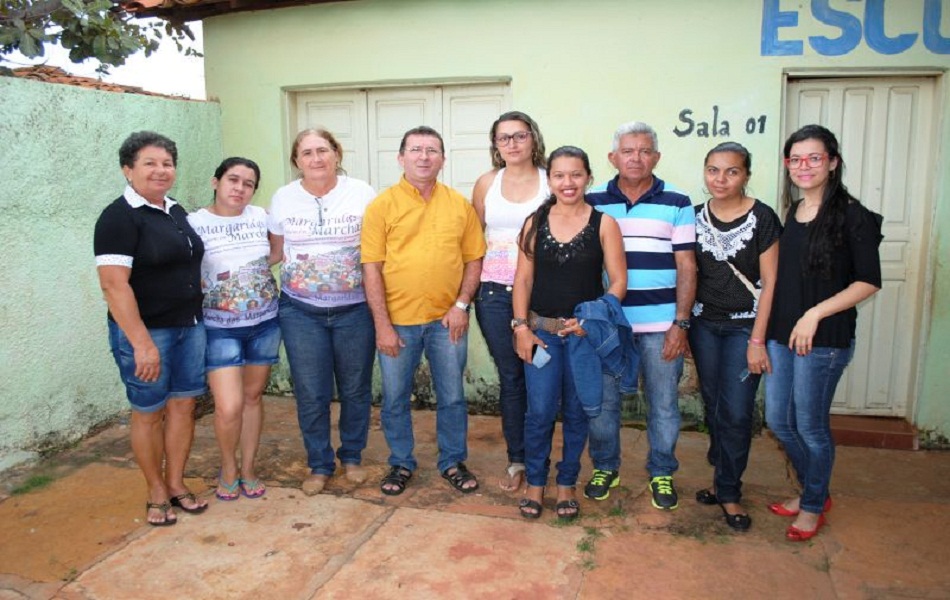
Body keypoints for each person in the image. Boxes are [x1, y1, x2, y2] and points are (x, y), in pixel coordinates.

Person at [765, 124, 882, 541]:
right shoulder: (792, 214)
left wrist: (815, 314)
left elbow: (868, 281)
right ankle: (815, 487)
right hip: (783, 335)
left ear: (832, 162)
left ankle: (813, 504)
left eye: (814, 158)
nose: (804, 166)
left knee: (810, 426)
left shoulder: (854, 216)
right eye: (796, 159)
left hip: (824, 340)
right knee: (779, 419)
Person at [361, 125, 486, 496]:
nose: (424, 156)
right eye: (416, 149)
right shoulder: (382, 206)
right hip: (398, 323)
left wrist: (461, 305)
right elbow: (372, 268)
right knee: (396, 398)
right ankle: (401, 462)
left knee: (452, 397)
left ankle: (452, 461)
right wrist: (382, 325)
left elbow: (473, 258)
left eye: (432, 150)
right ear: (401, 158)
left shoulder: (458, 204)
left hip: (446, 321)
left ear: (443, 160)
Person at [94, 131, 209, 526]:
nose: (161, 170)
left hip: (189, 328)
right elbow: (113, 284)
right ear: (128, 170)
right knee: (148, 412)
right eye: (150, 163)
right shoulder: (118, 217)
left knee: (183, 406)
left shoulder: (175, 210)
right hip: (148, 334)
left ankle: (176, 483)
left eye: (167, 163)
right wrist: (141, 344)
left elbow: (185, 263)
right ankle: (155, 489)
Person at [585, 122, 697, 510]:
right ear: (613, 158)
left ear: (657, 157)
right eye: (628, 151)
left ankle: (662, 472)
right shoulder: (592, 201)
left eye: (645, 151)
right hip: (607, 327)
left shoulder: (678, 203)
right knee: (603, 404)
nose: (636, 158)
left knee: (663, 403)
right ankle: (605, 467)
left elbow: (687, 266)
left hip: (661, 325)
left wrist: (680, 323)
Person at [512, 146, 626, 521]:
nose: (568, 182)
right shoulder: (534, 222)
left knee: (578, 413)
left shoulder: (604, 224)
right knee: (539, 412)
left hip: (582, 339)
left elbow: (619, 281)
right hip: (541, 335)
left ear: (588, 177)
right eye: (559, 175)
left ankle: (566, 484)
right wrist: (521, 328)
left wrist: (593, 319)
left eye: (576, 174)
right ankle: (535, 483)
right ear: (549, 180)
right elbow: (523, 279)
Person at [268, 129, 377, 495]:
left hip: (355, 311)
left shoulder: (361, 192)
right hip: (300, 312)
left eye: (323, 150)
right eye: (307, 153)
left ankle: (353, 457)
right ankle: (319, 463)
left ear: (336, 154)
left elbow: (377, 249)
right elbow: (275, 252)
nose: (316, 158)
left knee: (355, 388)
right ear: (296, 161)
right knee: (311, 391)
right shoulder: (283, 198)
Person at [688, 142, 781, 531]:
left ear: (746, 174)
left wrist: (758, 340)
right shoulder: (692, 216)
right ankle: (721, 473)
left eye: (731, 171)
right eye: (713, 170)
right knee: (713, 406)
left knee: (738, 412)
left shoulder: (763, 217)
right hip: (704, 326)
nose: (720, 179)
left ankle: (729, 492)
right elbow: (687, 273)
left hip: (745, 328)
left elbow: (772, 282)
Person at [188, 157, 280, 501]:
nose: (240, 188)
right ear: (216, 182)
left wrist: (247, 272)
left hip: (265, 323)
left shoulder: (260, 217)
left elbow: (277, 251)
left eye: (248, 184)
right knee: (228, 405)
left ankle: (249, 468)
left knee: (253, 397)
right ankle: (228, 467)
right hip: (218, 328)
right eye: (233, 180)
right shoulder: (194, 221)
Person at [471, 111, 549, 492]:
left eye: (520, 136)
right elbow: (473, 241)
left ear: (533, 139)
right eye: (504, 138)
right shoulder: (487, 182)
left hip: (545, 297)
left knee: (545, 376)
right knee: (513, 378)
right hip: (495, 296)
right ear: (496, 146)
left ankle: (544, 460)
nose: (513, 144)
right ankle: (519, 461)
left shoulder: (553, 181)